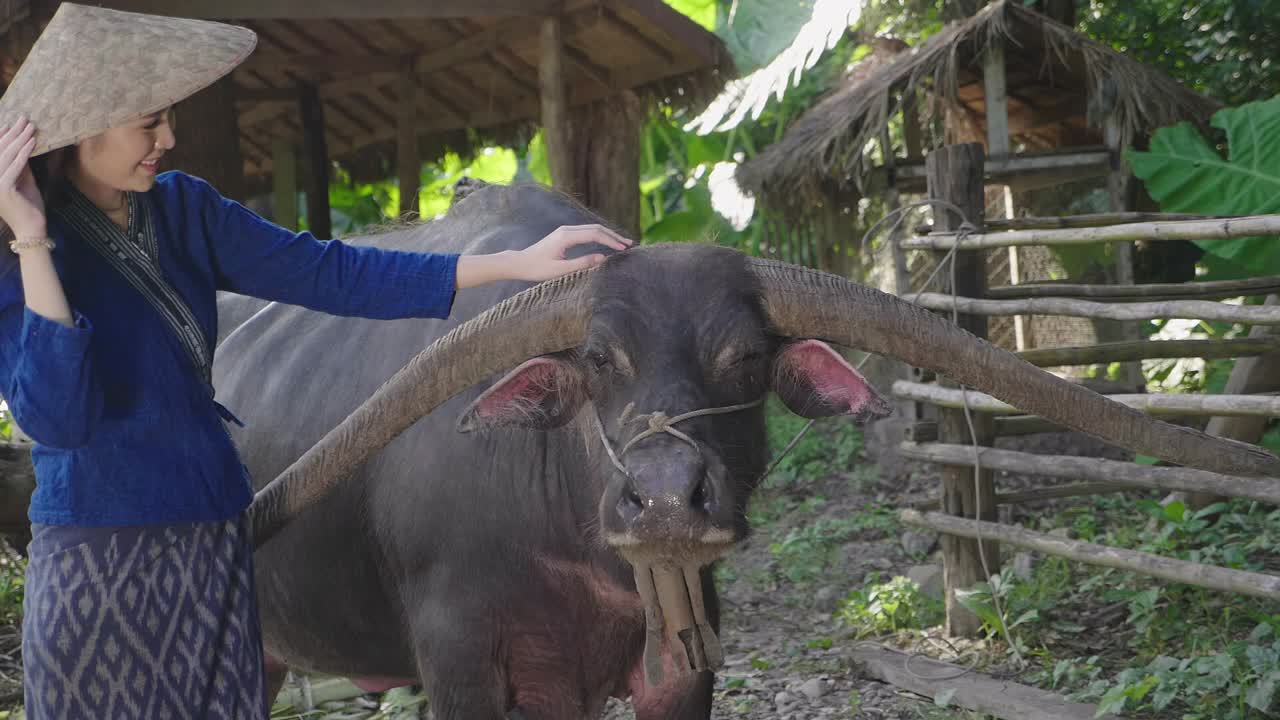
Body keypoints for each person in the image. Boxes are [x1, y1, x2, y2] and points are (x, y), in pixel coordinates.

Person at [0, 4, 631, 718]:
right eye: (150, 123)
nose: (169, 138)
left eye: (170, 117)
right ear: (85, 124)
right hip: (94, 562)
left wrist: (511, 262)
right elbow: (60, 416)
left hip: (211, 541)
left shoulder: (185, 210)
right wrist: (30, 240)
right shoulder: (12, 250)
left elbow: (331, 274)